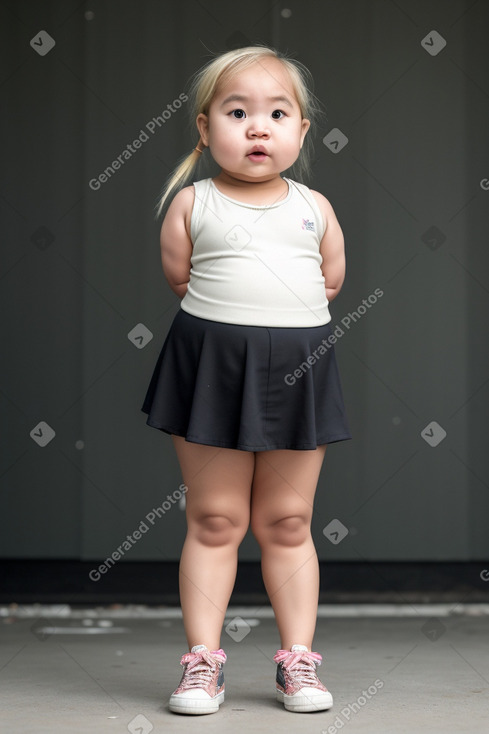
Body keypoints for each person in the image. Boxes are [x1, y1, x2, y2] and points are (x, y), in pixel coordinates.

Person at [141, 43, 352, 715]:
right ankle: (202, 663)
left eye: (275, 113)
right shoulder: (190, 204)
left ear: (300, 131)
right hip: (211, 364)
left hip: (299, 367)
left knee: (288, 520)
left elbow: (329, 281)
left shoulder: (313, 207)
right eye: (237, 112)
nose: (256, 127)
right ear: (205, 129)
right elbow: (181, 280)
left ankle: (299, 663)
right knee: (214, 517)